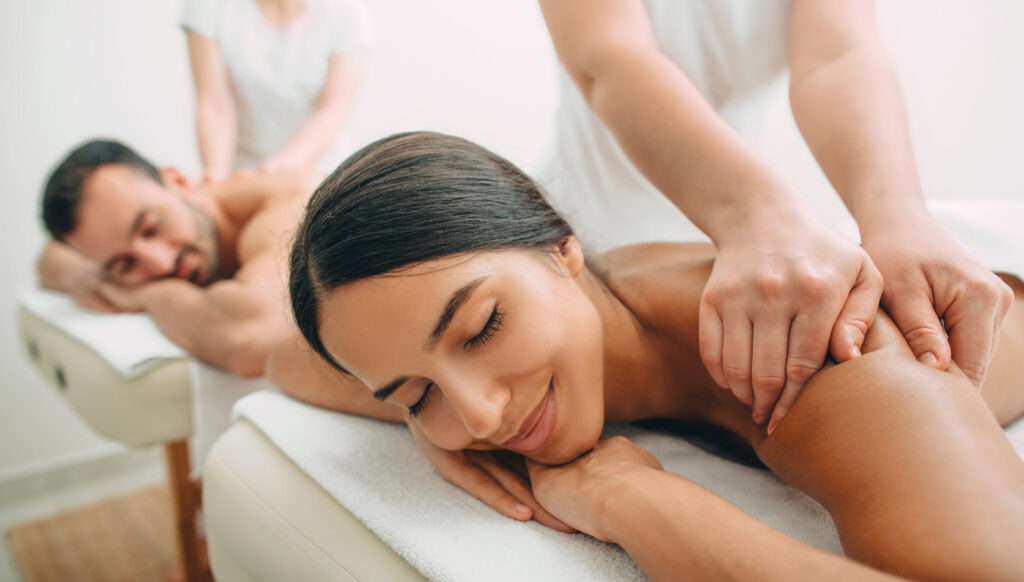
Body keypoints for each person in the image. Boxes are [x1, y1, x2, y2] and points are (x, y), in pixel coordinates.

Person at [286, 132, 1024, 580]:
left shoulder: (833, 353)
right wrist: (424, 426)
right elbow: (283, 360)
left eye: (481, 329)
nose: (479, 413)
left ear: (562, 247)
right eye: (414, 394)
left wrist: (630, 498)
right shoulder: (582, 305)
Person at [537, 0, 1014, 433]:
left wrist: (896, 215)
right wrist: (753, 213)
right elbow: (609, 58)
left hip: (757, 235)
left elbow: (838, 55)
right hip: (599, 244)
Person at [37, 138, 319, 376]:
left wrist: (147, 293)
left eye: (151, 228)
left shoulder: (282, 205)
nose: (162, 263)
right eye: (125, 264)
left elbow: (253, 339)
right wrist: (91, 277)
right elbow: (48, 260)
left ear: (177, 181)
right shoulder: (119, 242)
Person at [182, 0, 371, 180]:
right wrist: (216, 177)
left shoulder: (345, 10)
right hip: (240, 173)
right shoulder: (208, 5)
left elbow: (333, 109)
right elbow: (215, 104)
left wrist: (276, 170)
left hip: (318, 171)